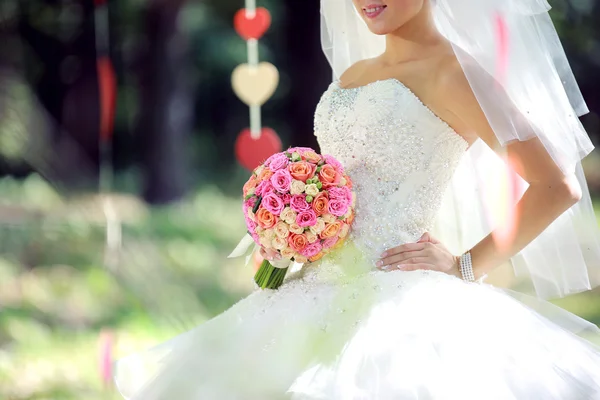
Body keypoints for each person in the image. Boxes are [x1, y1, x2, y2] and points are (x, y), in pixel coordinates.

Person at [114, 0, 600, 398]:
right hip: (307, 289)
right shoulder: (356, 71)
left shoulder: (456, 73)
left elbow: (557, 187)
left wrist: (466, 265)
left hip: (396, 295)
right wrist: (289, 224)